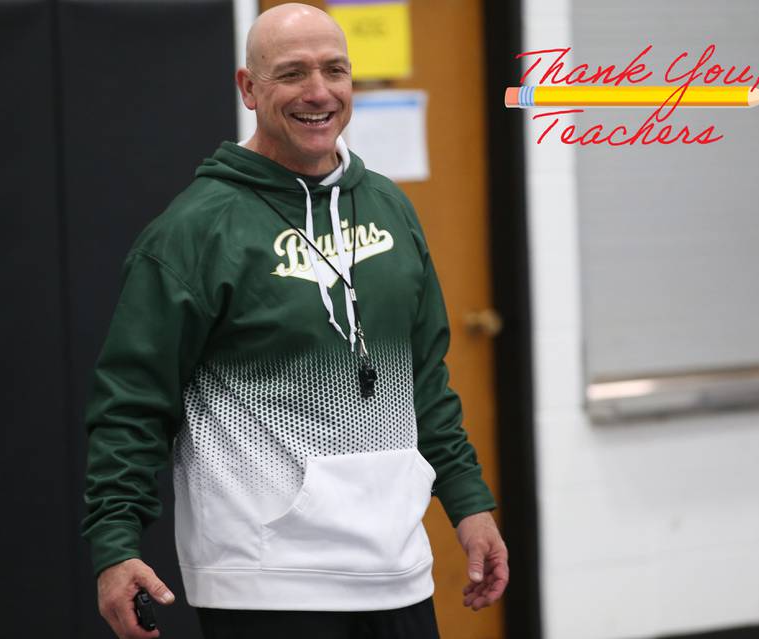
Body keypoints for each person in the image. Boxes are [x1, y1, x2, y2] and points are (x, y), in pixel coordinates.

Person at [82, 4, 508, 638]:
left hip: (397, 569)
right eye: (292, 73)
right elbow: (133, 404)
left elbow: (426, 378)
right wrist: (116, 545)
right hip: (264, 579)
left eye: (334, 70)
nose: (318, 91)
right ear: (248, 88)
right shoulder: (194, 231)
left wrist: (469, 503)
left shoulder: (390, 207)